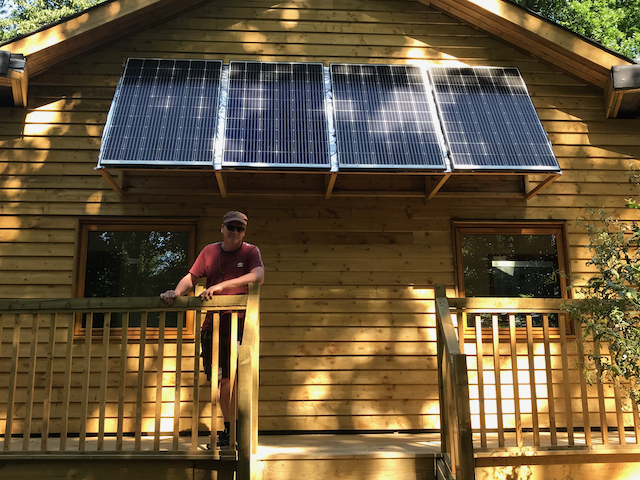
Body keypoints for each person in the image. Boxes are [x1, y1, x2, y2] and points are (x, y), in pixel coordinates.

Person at [160, 210, 265, 447]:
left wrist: (221, 286)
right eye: (231, 227)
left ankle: (235, 433)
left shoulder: (250, 251)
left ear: (244, 232)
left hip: (238, 326)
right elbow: (191, 277)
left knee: (233, 381)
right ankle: (229, 433)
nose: (235, 232)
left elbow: (258, 276)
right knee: (219, 383)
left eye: (240, 229)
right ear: (222, 228)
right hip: (212, 328)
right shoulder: (209, 251)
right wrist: (175, 293)